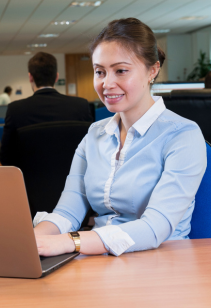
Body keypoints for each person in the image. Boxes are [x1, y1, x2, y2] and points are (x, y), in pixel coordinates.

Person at [34, 18, 207, 257]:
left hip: (162, 261)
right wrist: (34, 238)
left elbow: (155, 227)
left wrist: (71, 242)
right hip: (97, 258)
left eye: (121, 71)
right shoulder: (94, 134)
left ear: (152, 71)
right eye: (99, 72)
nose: (107, 83)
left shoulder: (183, 135)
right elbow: (68, 212)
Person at [0, 52, 93, 166]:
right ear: (56, 77)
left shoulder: (15, 110)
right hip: (75, 181)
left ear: (30, 77)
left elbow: (5, 158)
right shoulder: (81, 106)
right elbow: (91, 151)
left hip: (29, 182)